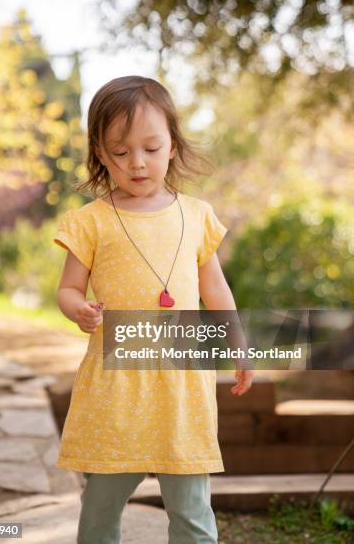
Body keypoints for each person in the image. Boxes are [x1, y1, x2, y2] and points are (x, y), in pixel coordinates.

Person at [53, 75, 254, 543]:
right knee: (101, 508)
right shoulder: (91, 222)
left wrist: (240, 347)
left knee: (191, 510)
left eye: (150, 147)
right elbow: (67, 289)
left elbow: (216, 292)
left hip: (181, 387)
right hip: (117, 388)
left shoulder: (197, 215)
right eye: (120, 152)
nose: (137, 163)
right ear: (100, 153)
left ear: (172, 145)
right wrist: (78, 308)